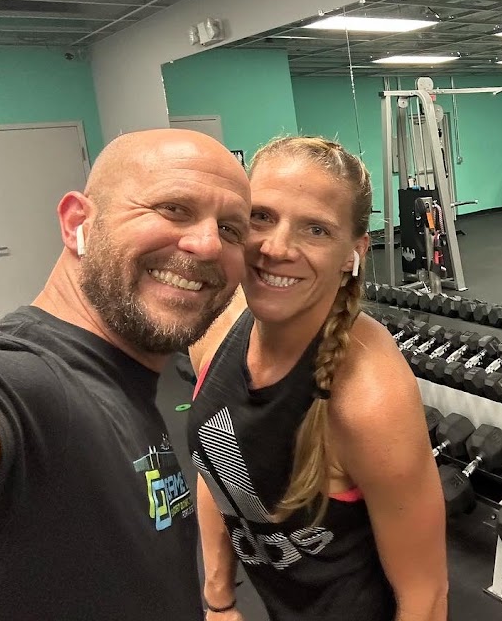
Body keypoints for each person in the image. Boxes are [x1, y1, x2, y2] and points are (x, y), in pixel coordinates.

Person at [0, 129, 252, 620]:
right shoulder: (22, 381)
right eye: (173, 208)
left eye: (231, 230)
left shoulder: (127, 374)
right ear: (76, 223)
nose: (209, 244)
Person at [187, 136, 447, 621]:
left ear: (354, 252)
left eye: (316, 230)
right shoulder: (216, 325)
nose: (276, 248)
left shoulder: (370, 397)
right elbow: (215, 466)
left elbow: (426, 597)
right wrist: (219, 600)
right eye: (262, 216)